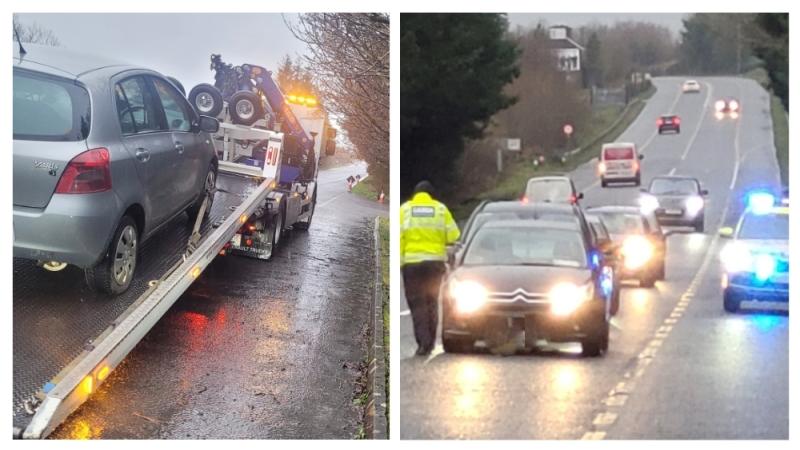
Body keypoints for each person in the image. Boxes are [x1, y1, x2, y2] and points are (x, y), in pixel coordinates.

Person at [400, 181, 460, 356]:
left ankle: (422, 343)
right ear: (431, 195)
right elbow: (454, 235)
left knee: (417, 304)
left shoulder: (405, 210)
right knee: (432, 301)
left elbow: (399, 237)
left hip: (412, 265)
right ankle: (431, 342)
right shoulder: (440, 210)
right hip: (434, 265)